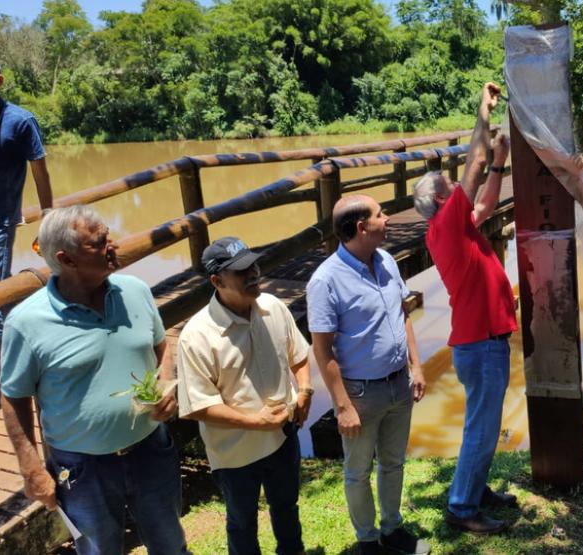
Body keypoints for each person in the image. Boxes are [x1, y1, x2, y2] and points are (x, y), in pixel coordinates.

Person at [0, 205, 188, 555]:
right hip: (82, 468)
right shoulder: (26, 322)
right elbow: (13, 396)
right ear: (66, 259)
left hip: (151, 449)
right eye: (99, 243)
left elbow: (161, 346)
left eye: (108, 237)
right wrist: (31, 468)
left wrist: (166, 385)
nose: (112, 246)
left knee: (170, 544)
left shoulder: (135, 290)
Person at [411, 82, 517, 535]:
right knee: (481, 428)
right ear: (442, 200)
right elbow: (472, 162)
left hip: (481, 342)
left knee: (483, 424)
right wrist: (483, 111)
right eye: (450, 187)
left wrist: (499, 163)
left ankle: (474, 489)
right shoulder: (447, 225)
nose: (457, 187)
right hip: (481, 343)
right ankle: (461, 506)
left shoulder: (453, 228)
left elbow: (487, 202)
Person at [307, 195, 430, 555]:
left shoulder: (386, 260)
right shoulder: (325, 280)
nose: (387, 218)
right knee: (358, 471)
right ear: (362, 227)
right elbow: (322, 349)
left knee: (393, 462)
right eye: (380, 214)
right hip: (360, 393)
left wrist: (416, 365)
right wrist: (342, 406)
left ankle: (392, 530)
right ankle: (367, 540)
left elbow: (403, 314)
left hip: (398, 383)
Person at [177, 237, 313, 555]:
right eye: (241, 271)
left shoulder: (273, 307)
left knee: (287, 507)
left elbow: (299, 354)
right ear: (217, 281)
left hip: (283, 435)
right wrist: (255, 422)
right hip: (235, 453)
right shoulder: (196, 336)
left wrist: (305, 389)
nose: (253, 274)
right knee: (242, 522)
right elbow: (198, 405)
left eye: (253, 265)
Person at [0, 62, 53, 349]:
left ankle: (6, 363)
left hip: (1, 221)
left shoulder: (20, 121)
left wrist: (48, 219)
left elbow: (40, 173)